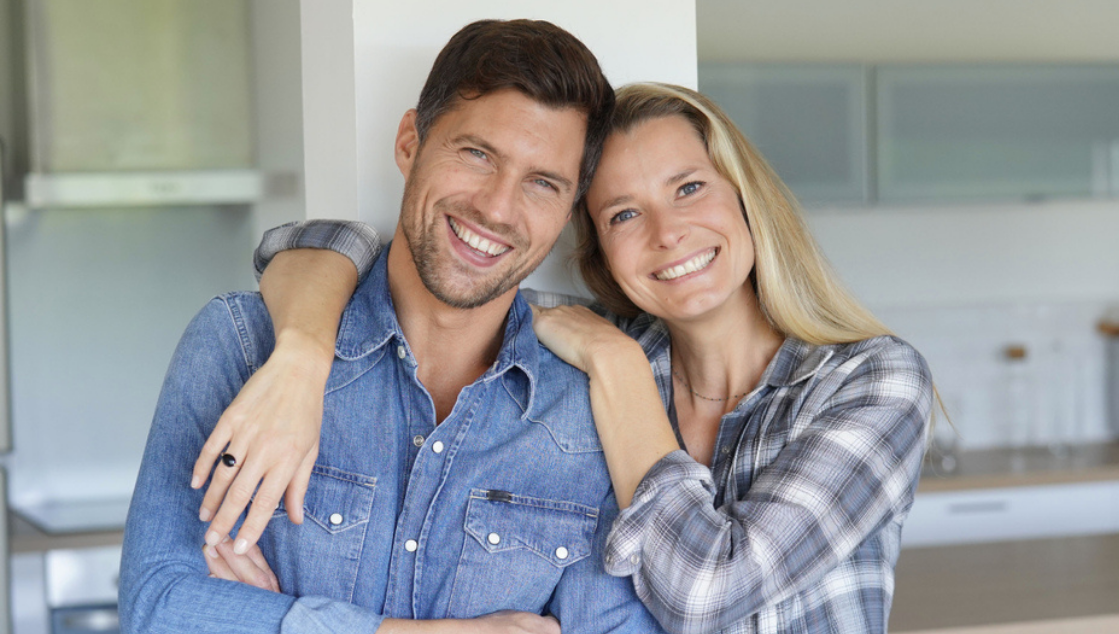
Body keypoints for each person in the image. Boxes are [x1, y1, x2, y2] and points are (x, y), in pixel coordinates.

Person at [200, 83, 935, 633]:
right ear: (601, 253)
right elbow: (345, 252)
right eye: (623, 213)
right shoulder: (578, 354)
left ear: (745, 198)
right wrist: (298, 353)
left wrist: (616, 366)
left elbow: (706, 595)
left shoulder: (869, 381)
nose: (668, 233)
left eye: (688, 189)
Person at [119, 19, 666, 634]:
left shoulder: (590, 407)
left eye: (542, 184)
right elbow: (160, 609)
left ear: (569, 210)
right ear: (410, 141)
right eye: (477, 154)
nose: (496, 207)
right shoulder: (243, 347)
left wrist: (276, 621)